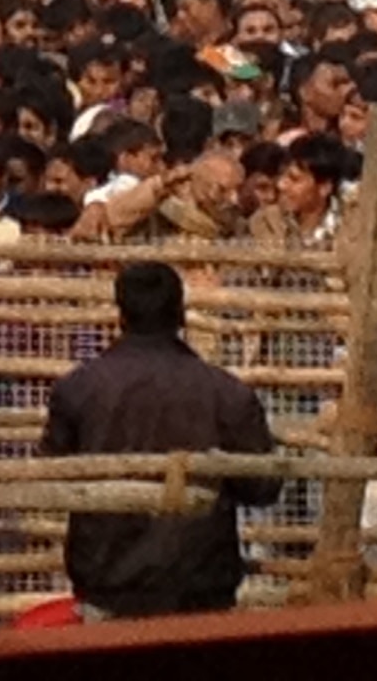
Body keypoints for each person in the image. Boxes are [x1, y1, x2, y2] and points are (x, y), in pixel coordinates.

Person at [38, 262, 279, 618]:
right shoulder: (226, 393)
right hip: (201, 584)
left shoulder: (79, 389)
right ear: (181, 314)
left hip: (108, 582)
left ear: (120, 315)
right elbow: (263, 486)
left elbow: (57, 473)